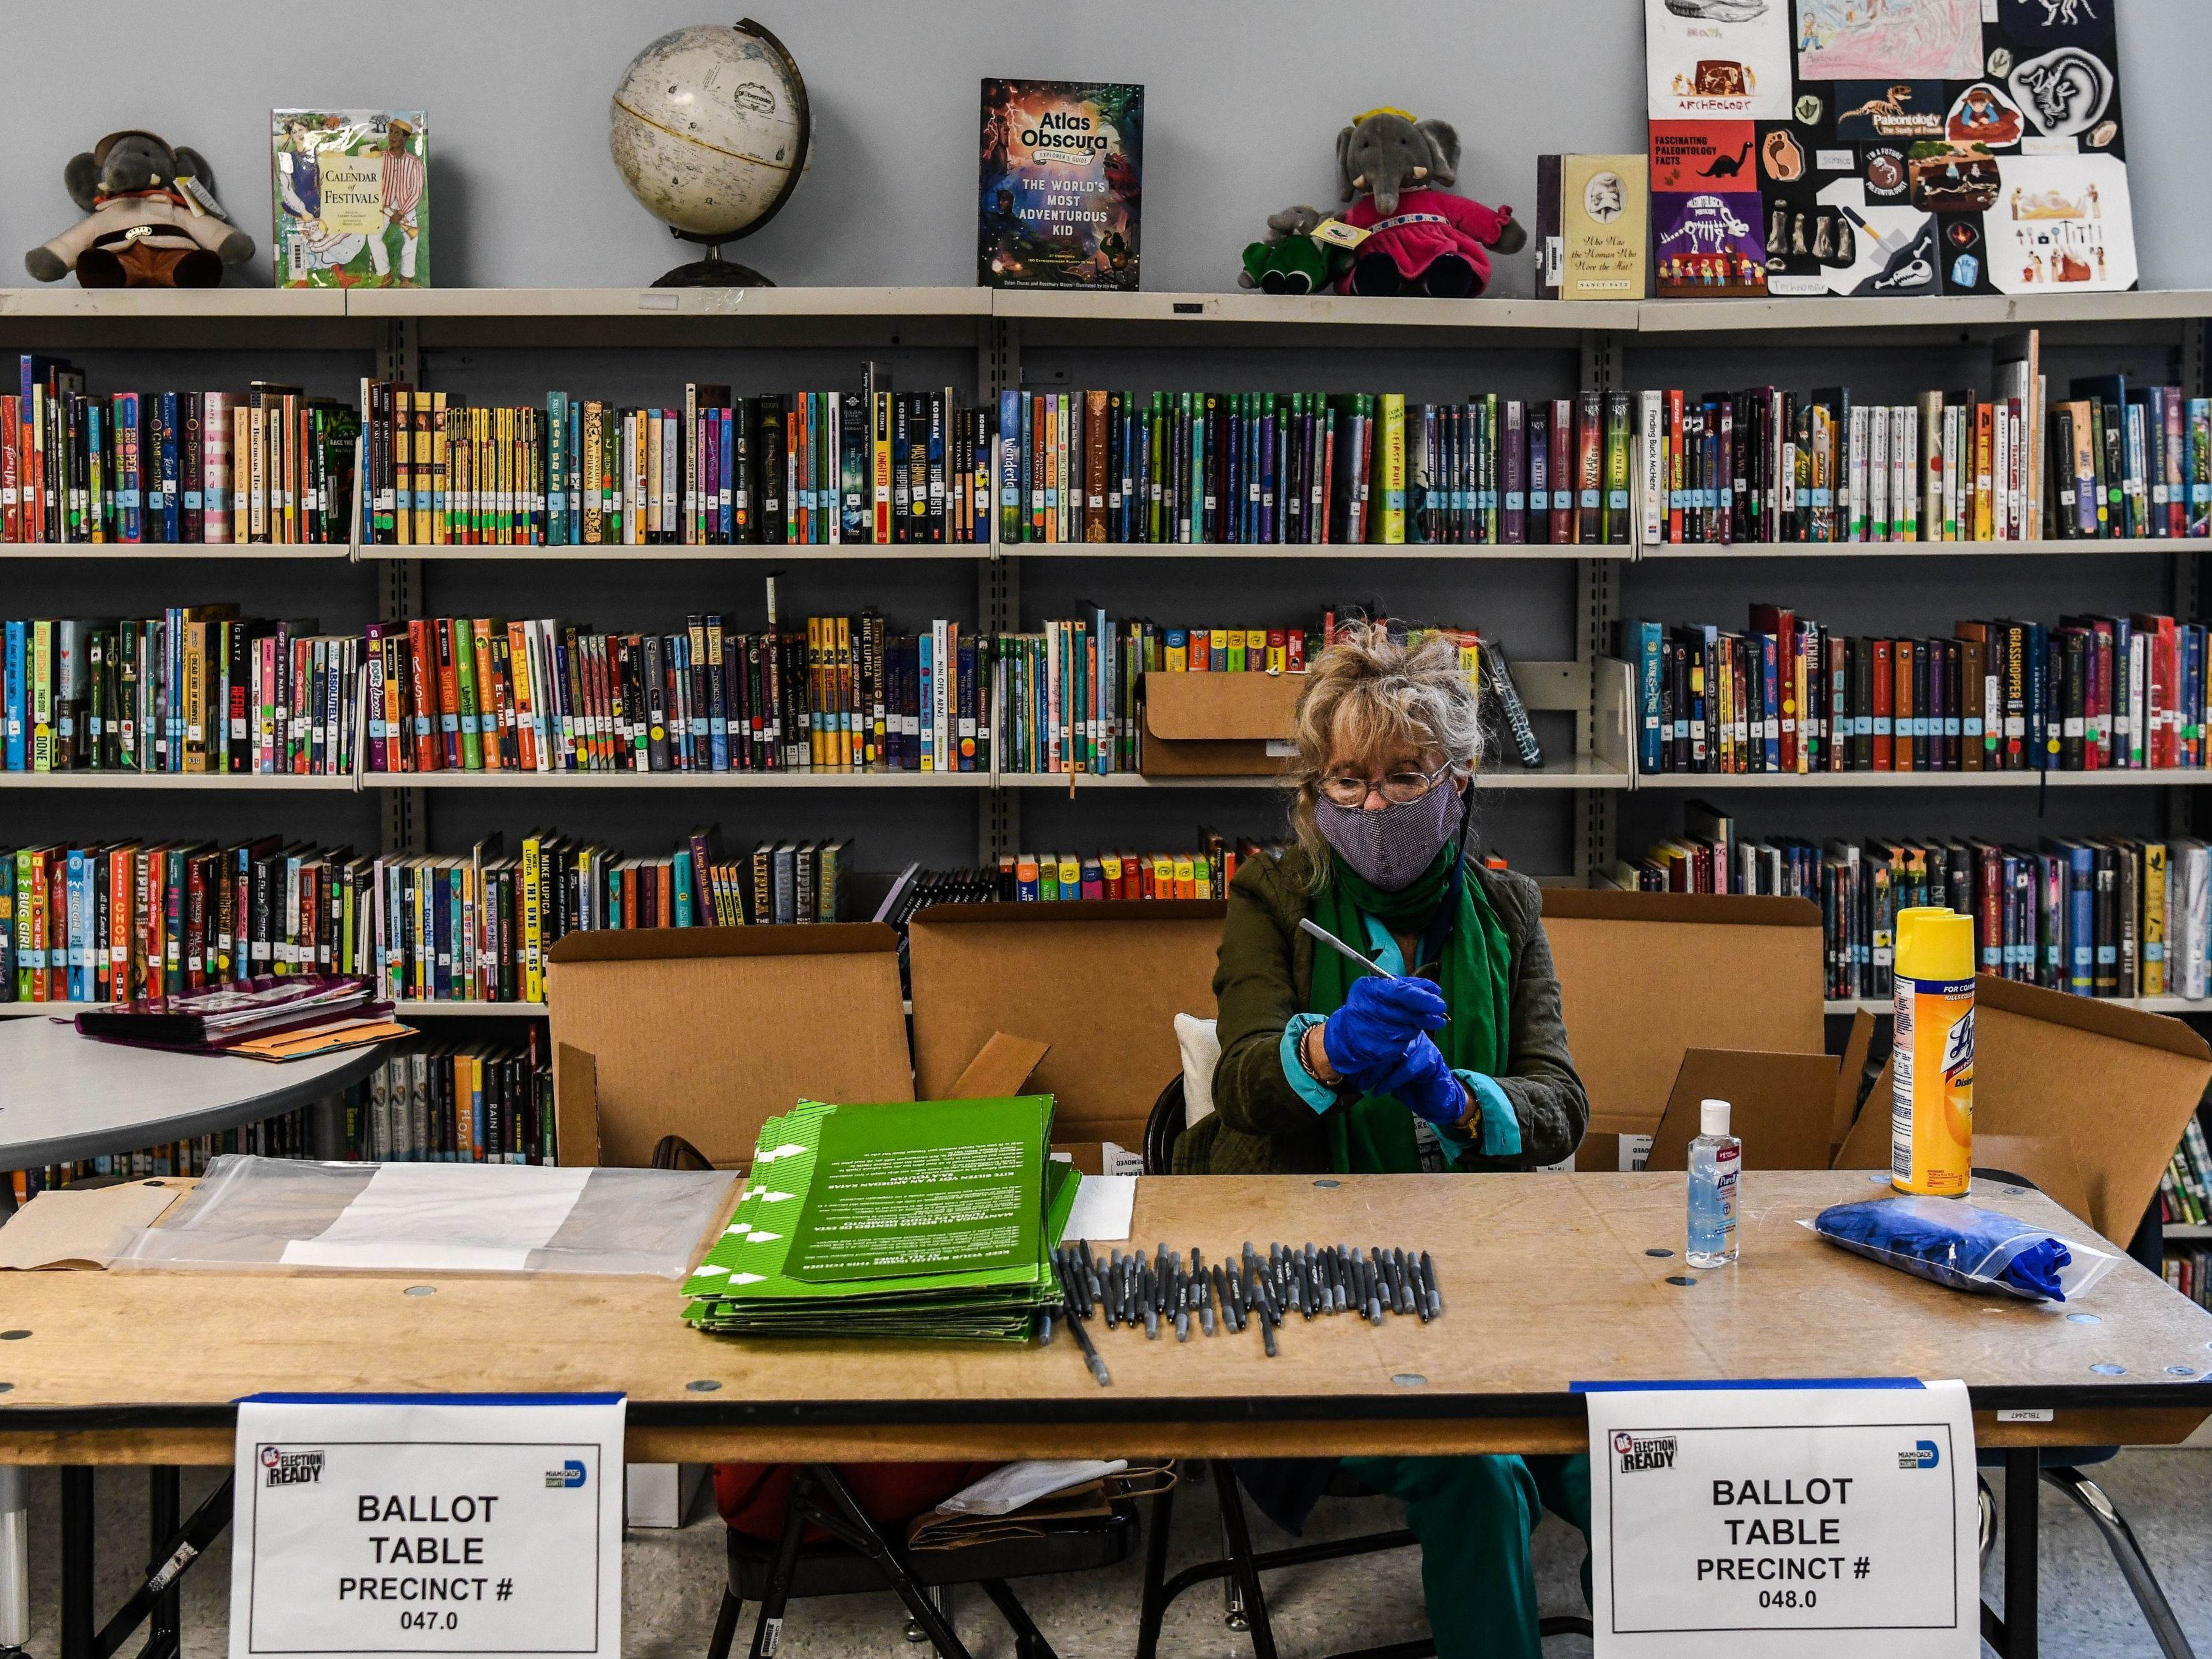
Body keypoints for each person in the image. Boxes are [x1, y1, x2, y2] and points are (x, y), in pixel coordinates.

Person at [1177, 621, 1591, 1659]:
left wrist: (1457, 1100)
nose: (1374, 803)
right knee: (1480, 1469)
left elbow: (1560, 1101)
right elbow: (1237, 1084)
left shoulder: (1507, 908)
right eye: (1348, 778)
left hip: (1494, 1288)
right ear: (1312, 787)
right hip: (1316, 1290)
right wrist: (1323, 1052)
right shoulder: (1274, 899)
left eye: (1406, 775)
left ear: (1460, 779)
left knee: (1643, 1460)